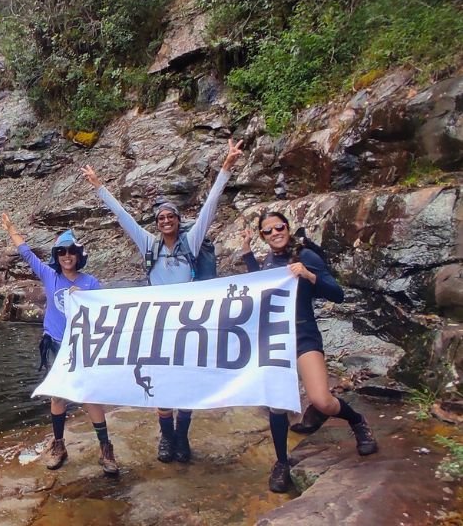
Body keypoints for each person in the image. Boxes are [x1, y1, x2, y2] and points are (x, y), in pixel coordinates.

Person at [81, 139, 244, 464]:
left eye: (171, 216)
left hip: (191, 326)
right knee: (162, 384)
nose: (166, 220)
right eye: (161, 217)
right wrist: (100, 188)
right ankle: (167, 438)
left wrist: (226, 167)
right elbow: (124, 218)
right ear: (156, 223)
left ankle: (182, 437)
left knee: (186, 383)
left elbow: (210, 207)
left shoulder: (191, 242)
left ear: (178, 219)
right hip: (159, 328)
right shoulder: (150, 246)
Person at [241, 212, 378, 493]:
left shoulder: (306, 256)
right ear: (263, 237)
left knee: (322, 400)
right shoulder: (269, 260)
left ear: (288, 228)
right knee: (277, 404)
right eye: (268, 231)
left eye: (279, 227)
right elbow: (260, 286)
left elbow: (337, 294)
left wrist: (308, 274)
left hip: (304, 335)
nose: (275, 233)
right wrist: (246, 254)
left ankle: (357, 421)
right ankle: (281, 462)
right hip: (277, 340)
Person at [0, 213, 119, 476]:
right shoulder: (49, 275)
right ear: (57, 255)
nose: (67, 256)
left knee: (89, 397)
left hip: (82, 346)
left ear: (78, 255)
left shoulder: (90, 283)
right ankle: (58, 445)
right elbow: (26, 253)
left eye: (71, 251)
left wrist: (84, 298)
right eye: (62, 252)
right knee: (58, 395)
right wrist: (11, 228)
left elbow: (106, 312)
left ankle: (105, 448)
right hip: (55, 344)